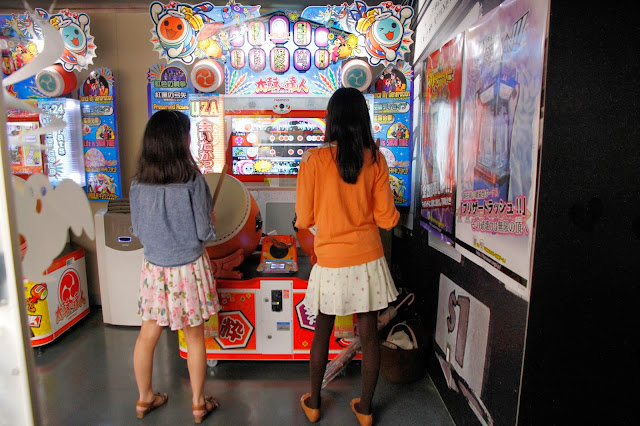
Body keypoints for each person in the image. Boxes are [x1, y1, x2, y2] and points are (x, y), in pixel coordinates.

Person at [295, 88, 400, 426]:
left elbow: (304, 218)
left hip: (330, 261)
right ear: (363, 119)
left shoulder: (313, 160)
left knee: (322, 331)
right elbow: (387, 219)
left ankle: (314, 404)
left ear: (332, 119)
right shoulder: (376, 159)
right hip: (368, 258)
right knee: (369, 335)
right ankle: (365, 409)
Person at [130, 110, 220, 424]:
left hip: (155, 269)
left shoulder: (138, 182)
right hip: (188, 268)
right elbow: (203, 232)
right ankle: (197, 404)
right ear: (180, 140)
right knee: (194, 337)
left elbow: (138, 230)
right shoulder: (193, 180)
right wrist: (211, 223)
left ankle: (145, 398)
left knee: (147, 336)